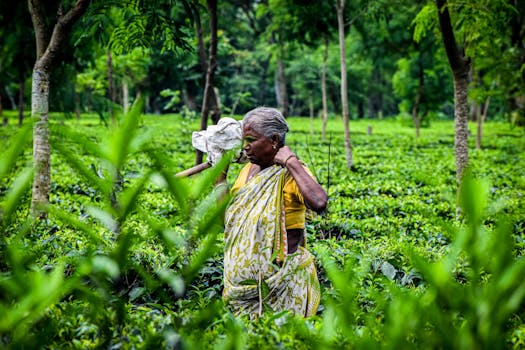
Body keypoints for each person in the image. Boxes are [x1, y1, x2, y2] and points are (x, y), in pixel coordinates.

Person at [222, 107, 328, 318]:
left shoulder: (290, 173)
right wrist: (219, 182)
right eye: (244, 140)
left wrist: (291, 163)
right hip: (240, 291)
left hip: (281, 287)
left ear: (274, 139)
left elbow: (319, 202)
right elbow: (229, 224)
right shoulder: (247, 171)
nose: (246, 147)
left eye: (251, 139)